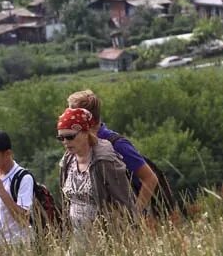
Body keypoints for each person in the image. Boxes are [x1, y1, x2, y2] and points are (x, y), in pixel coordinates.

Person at [67, 89, 160, 217]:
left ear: (89, 119)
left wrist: (134, 216)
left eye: (72, 117)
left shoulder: (117, 145)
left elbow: (150, 178)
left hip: (121, 225)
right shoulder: (78, 143)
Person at [57, 108, 136, 234]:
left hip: (104, 237)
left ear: (85, 132)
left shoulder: (104, 160)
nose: (65, 142)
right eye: (61, 138)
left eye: (70, 136)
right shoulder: (68, 160)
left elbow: (124, 202)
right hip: (77, 239)